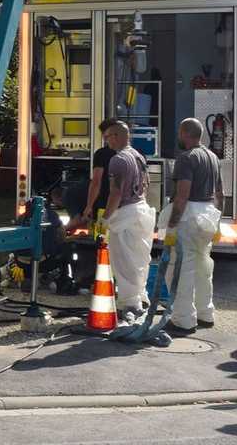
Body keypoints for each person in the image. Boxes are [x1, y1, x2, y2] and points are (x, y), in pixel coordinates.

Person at [161, 118, 223, 334]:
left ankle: (183, 320)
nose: (179, 137)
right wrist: (217, 222)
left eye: (180, 133)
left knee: (180, 269)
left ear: (185, 133)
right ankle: (206, 314)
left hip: (189, 217)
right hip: (208, 216)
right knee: (203, 266)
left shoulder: (186, 159)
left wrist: (172, 224)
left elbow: (182, 195)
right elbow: (219, 194)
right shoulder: (213, 157)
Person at [100, 121, 156, 316]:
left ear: (116, 136)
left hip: (126, 213)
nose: (106, 141)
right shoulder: (138, 156)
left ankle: (130, 306)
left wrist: (106, 218)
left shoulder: (118, 160)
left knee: (124, 263)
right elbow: (146, 184)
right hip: (142, 211)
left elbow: (115, 193)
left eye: (107, 137)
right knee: (139, 260)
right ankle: (141, 297)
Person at [75, 118, 120, 229]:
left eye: (106, 136)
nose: (105, 139)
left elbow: (96, 182)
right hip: (129, 210)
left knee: (102, 240)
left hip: (105, 207)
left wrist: (89, 206)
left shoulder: (102, 154)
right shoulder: (138, 154)